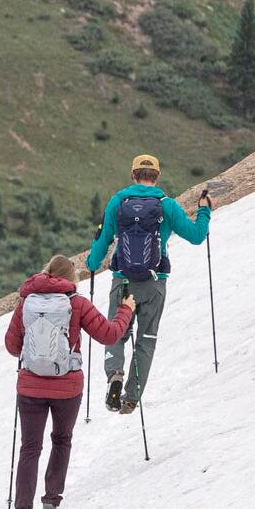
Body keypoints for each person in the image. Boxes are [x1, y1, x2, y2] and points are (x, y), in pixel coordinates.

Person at [3, 253, 133, 509]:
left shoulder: (26, 302)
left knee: (30, 447)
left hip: (30, 386)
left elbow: (12, 347)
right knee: (61, 440)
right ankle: (51, 501)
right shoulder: (77, 303)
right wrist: (126, 309)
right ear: (70, 278)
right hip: (67, 387)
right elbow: (110, 335)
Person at [85, 154, 211, 415]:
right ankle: (131, 397)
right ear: (157, 176)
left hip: (123, 280)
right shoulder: (167, 205)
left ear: (133, 175)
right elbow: (198, 236)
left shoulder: (118, 202)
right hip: (154, 284)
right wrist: (204, 210)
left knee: (115, 332)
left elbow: (102, 242)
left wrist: (92, 262)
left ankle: (114, 375)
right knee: (146, 339)